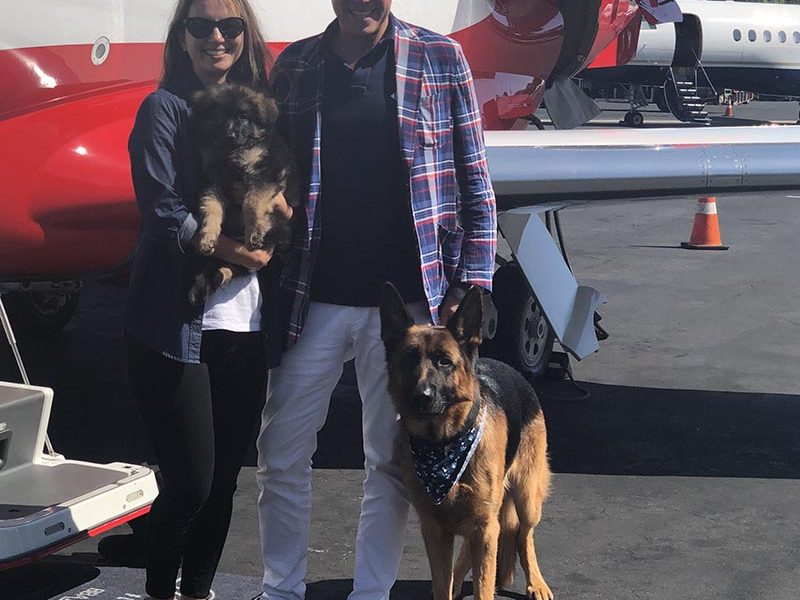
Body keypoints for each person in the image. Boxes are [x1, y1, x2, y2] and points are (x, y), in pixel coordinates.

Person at [255, 1, 497, 599]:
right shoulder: (297, 66)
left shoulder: (441, 59)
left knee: (387, 463)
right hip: (314, 295)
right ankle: (281, 588)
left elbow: (475, 174)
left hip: (410, 311)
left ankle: (371, 593)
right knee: (281, 452)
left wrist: (475, 279)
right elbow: (268, 173)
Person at [125, 1, 291, 598]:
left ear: (246, 36)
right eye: (201, 27)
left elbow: (280, 193)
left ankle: (197, 590)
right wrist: (248, 255)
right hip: (177, 325)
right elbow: (165, 216)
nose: (216, 37)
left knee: (224, 484)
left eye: (229, 26)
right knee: (191, 483)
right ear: (182, 37)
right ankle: (159, 591)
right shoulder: (163, 110)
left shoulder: (260, 113)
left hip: (245, 328)